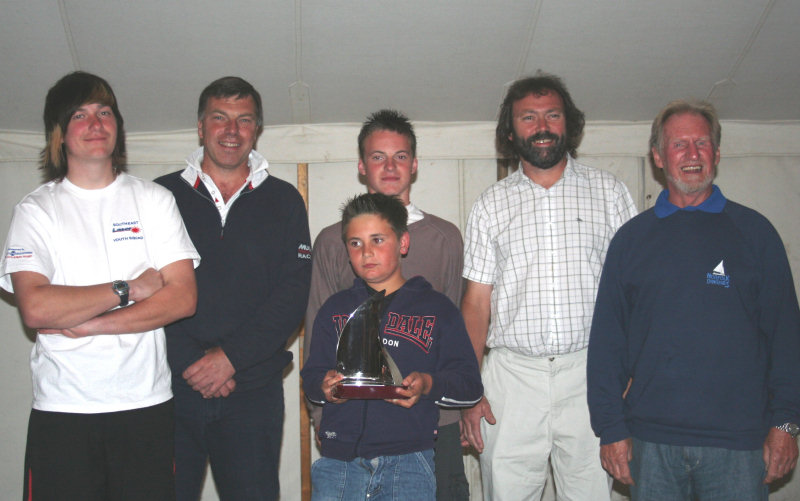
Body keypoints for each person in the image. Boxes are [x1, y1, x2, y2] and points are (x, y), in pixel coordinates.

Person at [587, 99, 800, 500]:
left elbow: (787, 338)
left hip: (740, 446)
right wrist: (611, 428)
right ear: (657, 156)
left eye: (701, 143)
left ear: (716, 154)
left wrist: (786, 424)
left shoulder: (755, 234)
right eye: (678, 144)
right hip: (650, 445)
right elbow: (607, 345)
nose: (691, 154)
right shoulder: (631, 240)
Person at [0, 71, 199, 500]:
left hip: (145, 406)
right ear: (59, 135)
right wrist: (128, 289)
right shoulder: (36, 211)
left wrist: (91, 324)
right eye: (80, 115)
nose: (96, 124)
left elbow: (182, 297)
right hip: (64, 410)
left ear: (118, 127)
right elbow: (35, 307)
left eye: (105, 112)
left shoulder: (154, 200)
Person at [460, 72, 637, 500]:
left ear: (569, 124)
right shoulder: (490, 205)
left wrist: (631, 375)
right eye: (528, 117)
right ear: (510, 130)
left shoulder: (610, 193)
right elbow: (476, 304)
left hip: (591, 376)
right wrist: (468, 391)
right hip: (510, 380)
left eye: (552, 115)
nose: (541, 127)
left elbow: (637, 293)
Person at [155, 76, 312, 501]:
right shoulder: (159, 196)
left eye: (244, 120)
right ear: (201, 126)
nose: (231, 130)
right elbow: (149, 292)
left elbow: (293, 294)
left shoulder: (284, 200)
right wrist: (194, 362)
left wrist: (229, 360)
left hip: (253, 393)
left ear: (256, 129)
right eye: (219, 118)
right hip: (169, 389)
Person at [303, 109, 469, 499]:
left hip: (431, 422)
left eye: (400, 156)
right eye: (378, 156)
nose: (390, 166)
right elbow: (318, 332)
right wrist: (322, 413)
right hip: (350, 424)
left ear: (414, 165)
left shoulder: (446, 237)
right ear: (362, 166)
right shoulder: (331, 240)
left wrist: (457, 408)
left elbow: (456, 328)